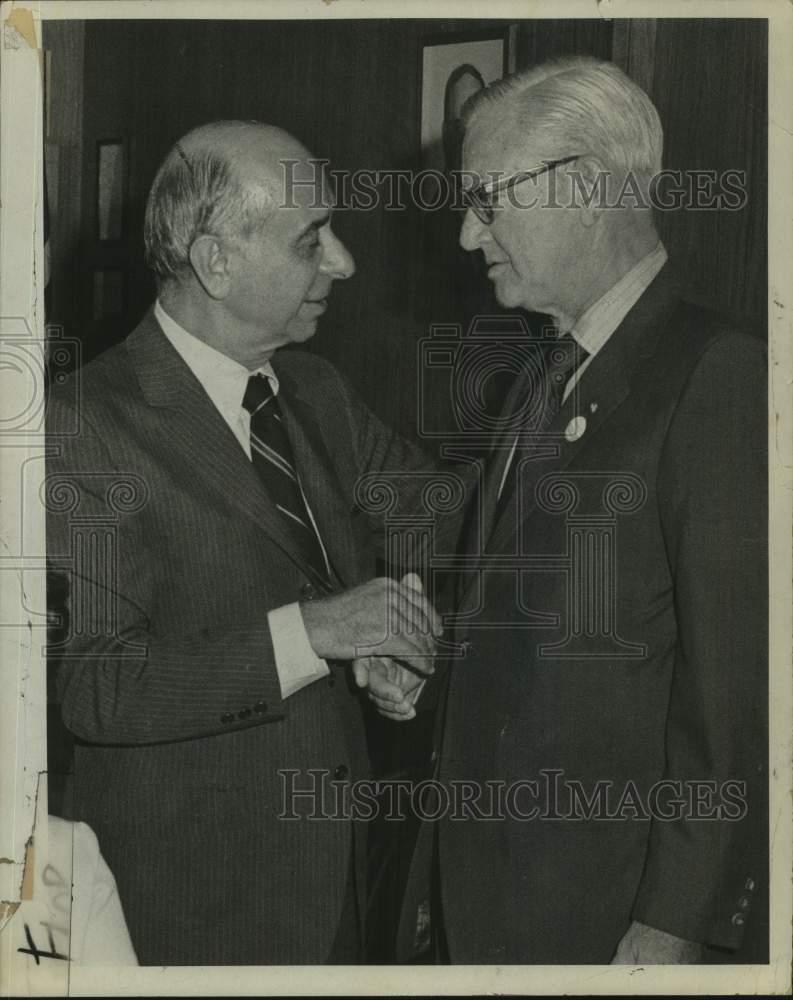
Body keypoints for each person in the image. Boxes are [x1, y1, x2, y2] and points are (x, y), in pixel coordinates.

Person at [374, 57, 767, 964]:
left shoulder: (715, 375)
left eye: (487, 199)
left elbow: (736, 696)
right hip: (486, 891)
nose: (470, 235)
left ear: (585, 188)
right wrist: (429, 664)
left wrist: (677, 920)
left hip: (604, 914)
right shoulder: (546, 367)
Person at [45, 120, 446, 966]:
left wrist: (394, 623)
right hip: (190, 907)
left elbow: (433, 513)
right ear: (216, 261)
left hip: (341, 882)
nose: (342, 262)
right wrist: (319, 633)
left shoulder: (316, 391)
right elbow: (94, 687)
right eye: (312, 240)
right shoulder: (79, 427)